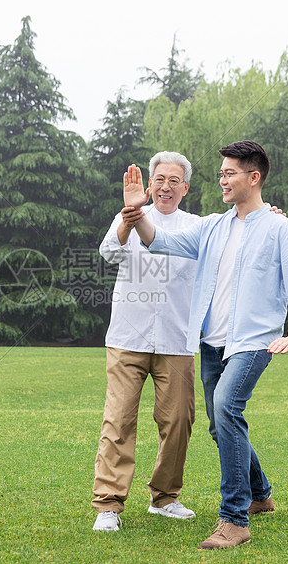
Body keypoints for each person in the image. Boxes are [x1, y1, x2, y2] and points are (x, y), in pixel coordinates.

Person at [121, 140, 288, 549]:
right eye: (222, 173)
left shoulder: (282, 228)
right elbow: (159, 240)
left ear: (254, 177)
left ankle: (234, 518)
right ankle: (260, 493)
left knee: (227, 409)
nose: (223, 179)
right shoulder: (212, 226)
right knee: (220, 424)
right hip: (211, 343)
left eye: (230, 173)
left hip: (254, 341)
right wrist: (137, 212)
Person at [91, 151, 199, 532]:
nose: (165, 186)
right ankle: (108, 504)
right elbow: (109, 252)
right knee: (118, 420)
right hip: (127, 337)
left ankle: (165, 497)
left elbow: (237, 237)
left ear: (185, 187)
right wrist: (129, 217)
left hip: (177, 340)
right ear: (148, 184)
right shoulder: (127, 216)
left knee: (179, 420)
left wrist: (271, 215)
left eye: (174, 180)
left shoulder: (199, 226)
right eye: (159, 179)